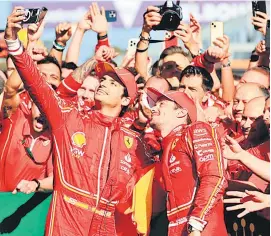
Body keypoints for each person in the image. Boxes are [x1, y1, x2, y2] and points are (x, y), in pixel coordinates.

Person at [5, 5, 152, 236]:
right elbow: (36, 83)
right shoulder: (69, 118)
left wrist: (146, 123)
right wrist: (13, 41)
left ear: (126, 101)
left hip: (109, 228)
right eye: (103, 80)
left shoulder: (135, 139)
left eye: (113, 83)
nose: (103, 83)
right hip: (66, 225)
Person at [147, 87, 227, 236]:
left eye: (161, 104)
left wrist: (196, 224)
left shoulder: (196, 130)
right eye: (154, 105)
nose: (153, 108)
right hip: (176, 228)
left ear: (181, 112)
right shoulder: (164, 148)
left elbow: (214, 176)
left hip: (201, 229)